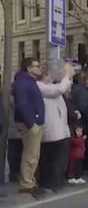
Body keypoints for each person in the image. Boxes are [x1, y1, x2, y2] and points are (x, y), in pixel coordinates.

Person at [37, 62, 74, 193]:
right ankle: (49, 183)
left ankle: (56, 182)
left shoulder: (49, 86)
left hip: (60, 129)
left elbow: (60, 88)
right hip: (51, 129)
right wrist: (67, 75)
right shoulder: (40, 87)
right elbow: (58, 90)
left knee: (59, 158)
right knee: (50, 158)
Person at [13, 58, 45, 194]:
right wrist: (31, 123)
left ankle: (29, 181)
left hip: (33, 122)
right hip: (29, 123)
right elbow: (22, 104)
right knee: (30, 154)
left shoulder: (28, 82)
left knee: (33, 154)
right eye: (36, 66)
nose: (39, 68)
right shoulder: (23, 83)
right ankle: (27, 183)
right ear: (29, 68)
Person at [71, 72, 88, 173]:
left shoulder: (80, 90)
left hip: (84, 122)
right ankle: (83, 167)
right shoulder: (81, 91)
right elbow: (85, 108)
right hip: (84, 123)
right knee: (83, 146)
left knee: (84, 146)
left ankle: (84, 167)